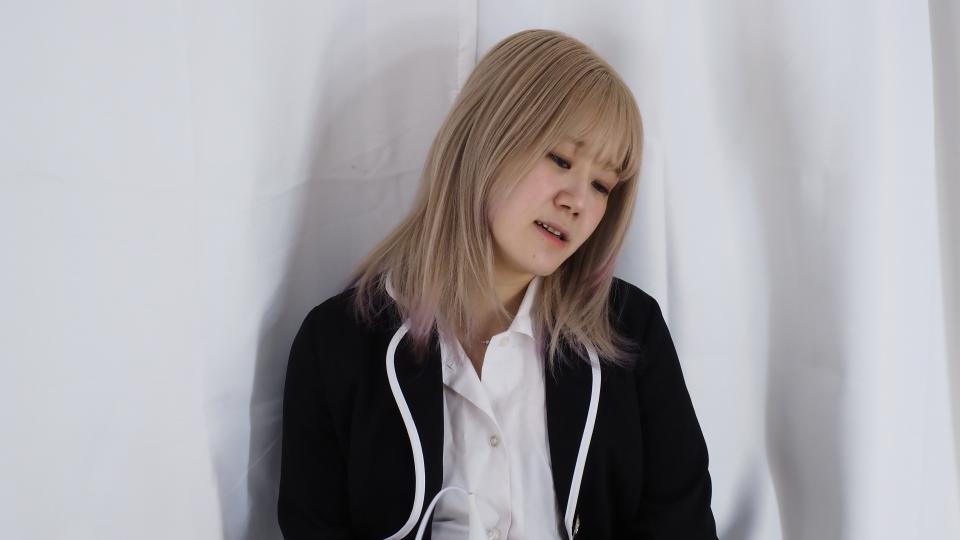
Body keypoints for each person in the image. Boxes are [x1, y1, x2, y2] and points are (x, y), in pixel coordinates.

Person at [277, 29, 718, 539]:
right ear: (487, 137)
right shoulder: (337, 344)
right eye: (561, 159)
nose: (578, 200)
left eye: (602, 185)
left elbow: (683, 523)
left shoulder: (631, 330)